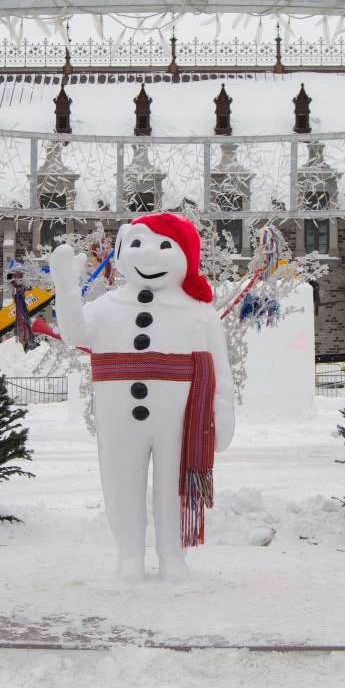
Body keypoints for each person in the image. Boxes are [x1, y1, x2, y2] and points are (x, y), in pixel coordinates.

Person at [50, 212, 235, 581]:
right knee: (121, 481)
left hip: (180, 417)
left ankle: (173, 556)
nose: (148, 255)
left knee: (176, 485)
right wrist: (67, 291)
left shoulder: (199, 313)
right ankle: (129, 554)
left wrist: (222, 410)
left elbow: (220, 368)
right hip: (119, 415)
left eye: (165, 246)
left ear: (186, 258)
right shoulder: (107, 307)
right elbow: (74, 333)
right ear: (121, 251)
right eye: (136, 244)